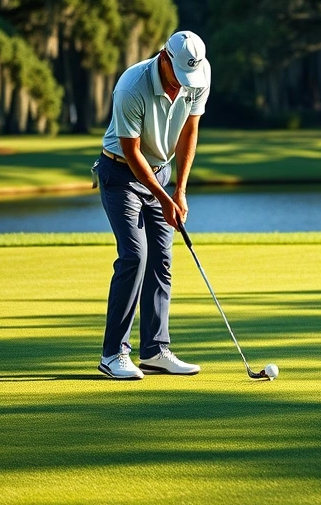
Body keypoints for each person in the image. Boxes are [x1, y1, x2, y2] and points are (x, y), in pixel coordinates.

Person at [93, 31, 211, 380]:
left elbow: (190, 132)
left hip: (161, 172)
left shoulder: (198, 75)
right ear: (164, 57)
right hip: (120, 172)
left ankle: (155, 351)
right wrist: (165, 199)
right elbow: (131, 152)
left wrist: (181, 191)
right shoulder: (132, 85)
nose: (181, 86)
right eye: (177, 75)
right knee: (134, 256)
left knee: (161, 258)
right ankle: (113, 354)